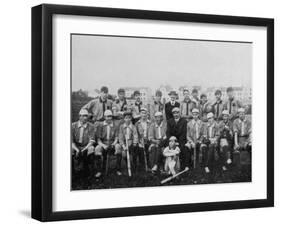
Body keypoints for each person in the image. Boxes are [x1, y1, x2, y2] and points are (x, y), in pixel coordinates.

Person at [95, 110, 123, 176]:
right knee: (97, 148)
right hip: (103, 143)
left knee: (118, 147)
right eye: (107, 116)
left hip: (112, 142)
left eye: (110, 116)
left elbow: (116, 137)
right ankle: (99, 170)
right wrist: (103, 145)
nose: (109, 118)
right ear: (104, 117)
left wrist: (113, 144)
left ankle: (118, 169)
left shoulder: (115, 125)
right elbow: (98, 139)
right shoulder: (100, 125)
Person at [72, 109, 96, 177]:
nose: (85, 118)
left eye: (86, 116)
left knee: (91, 149)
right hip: (75, 145)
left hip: (86, 145)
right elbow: (71, 141)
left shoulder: (91, 126)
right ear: (79, 116)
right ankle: (72, 171)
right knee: (70, 150)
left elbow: (92, 140)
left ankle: (88, 170)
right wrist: (77, 149)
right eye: (83, 116)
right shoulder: (73, 126)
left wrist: (84, 149)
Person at [166, 107, 189, 171]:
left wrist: (178, 142)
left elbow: (184, 133)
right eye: (174, 113)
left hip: (181, 140)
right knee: (165, 147)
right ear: (172, 114)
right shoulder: (169, 121)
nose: (176, 114)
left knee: (185, 148)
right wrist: (172, 141)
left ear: (180, 113)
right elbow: (168, 132)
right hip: (172, 140)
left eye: (177, 113)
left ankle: (185, 166)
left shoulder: (184, 121)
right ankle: (167, 167)